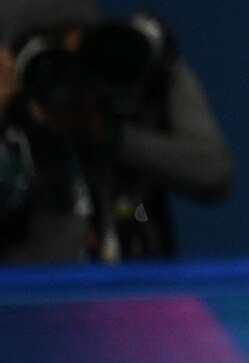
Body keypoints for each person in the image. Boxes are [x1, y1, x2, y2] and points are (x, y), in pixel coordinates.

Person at [0, 0, 232, 262]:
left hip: (138, 292)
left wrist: (106, 133)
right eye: (41, 46)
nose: (64, 58)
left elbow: (214, 172)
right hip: (31, 298)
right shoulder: (7, 96)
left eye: (71, 35)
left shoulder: (137, 67)